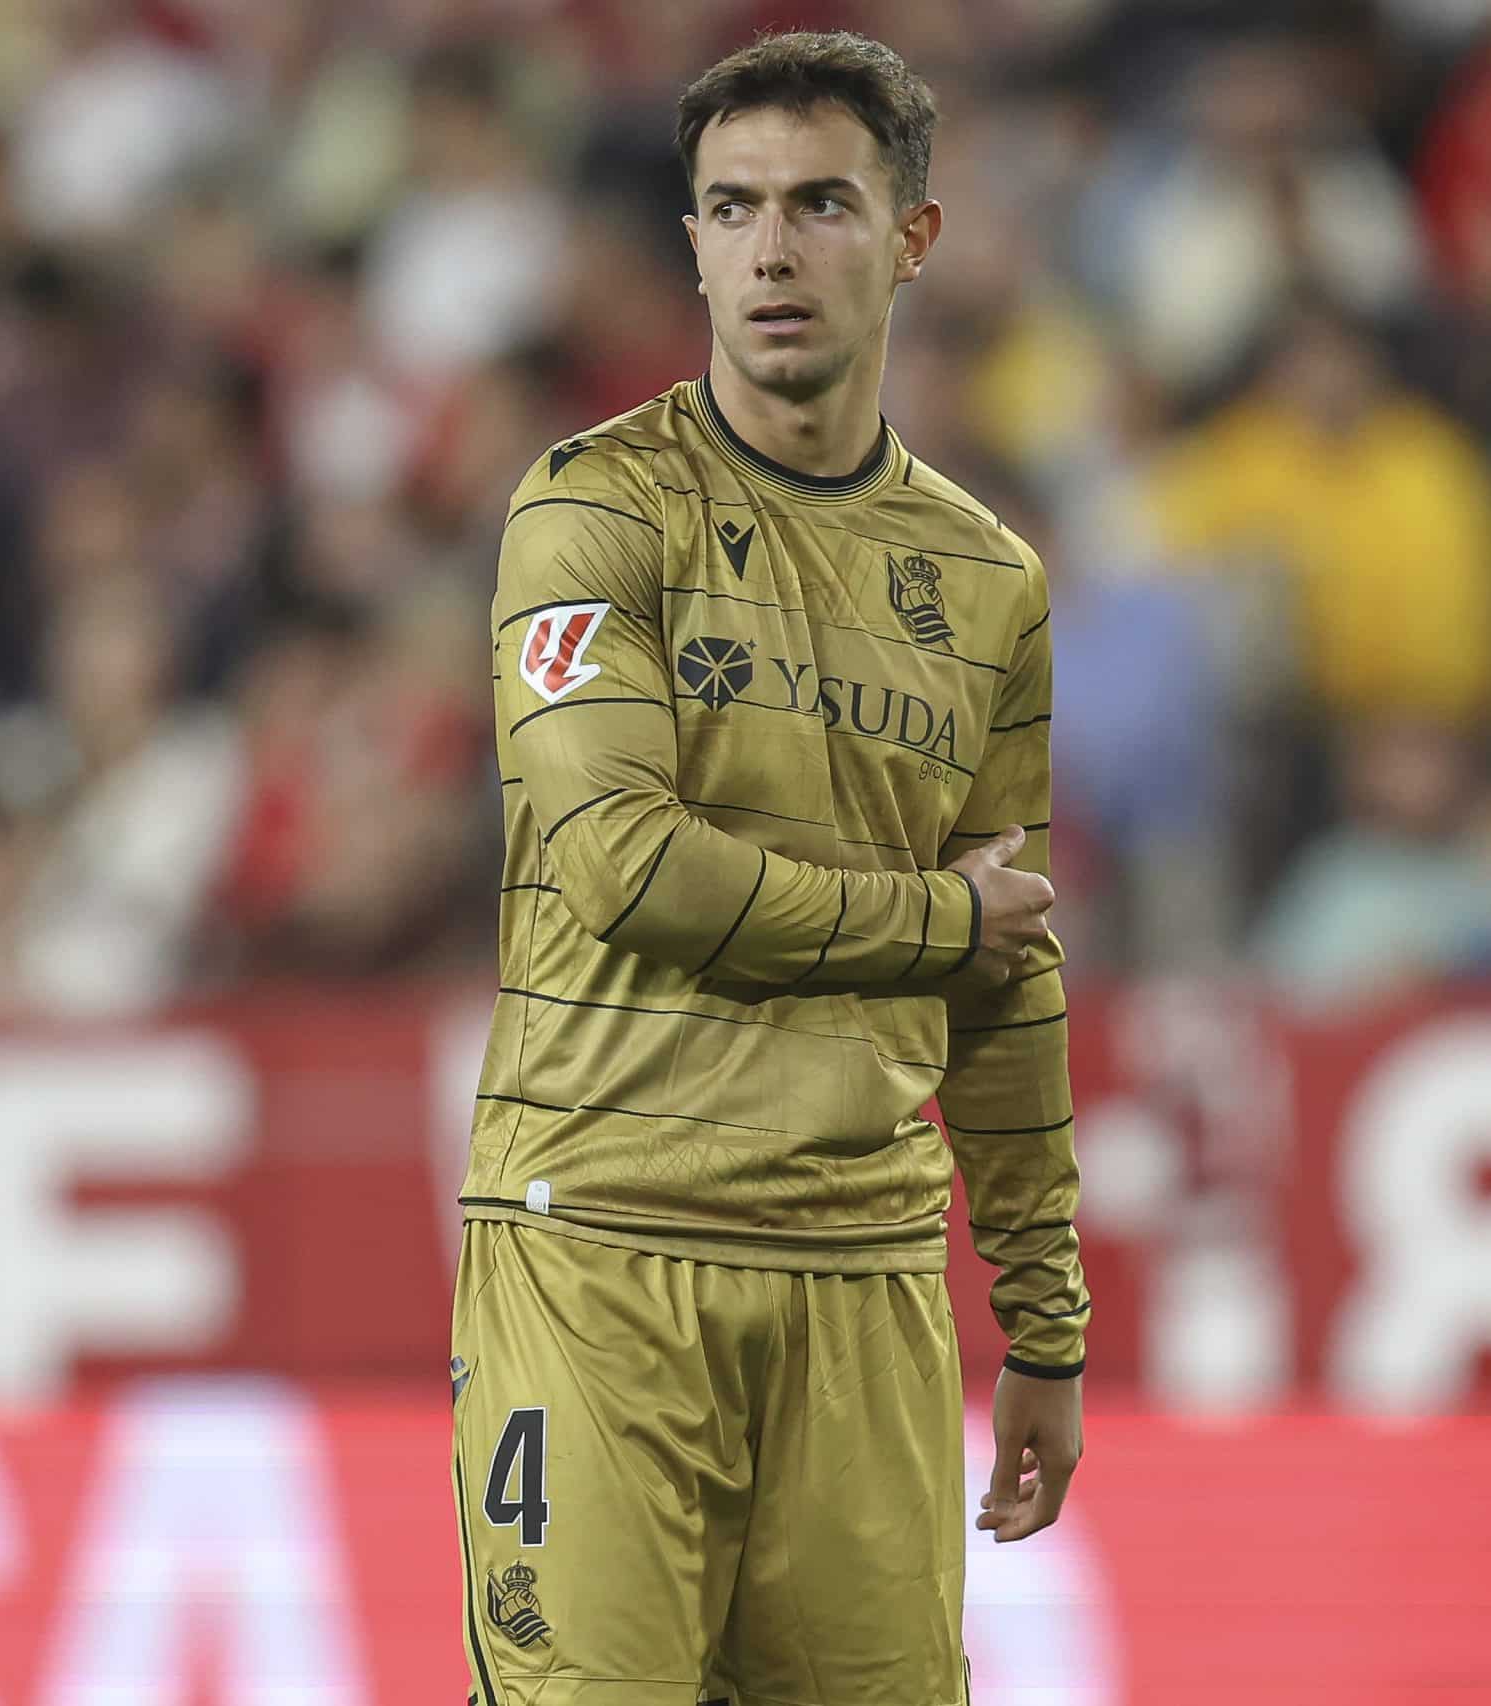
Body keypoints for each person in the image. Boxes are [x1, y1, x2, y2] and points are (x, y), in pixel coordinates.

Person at [453, 31, 1084, 1706]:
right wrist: (933, 920)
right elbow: (624, 865)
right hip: (600, 1245)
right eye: (731, 209)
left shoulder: (989, 581)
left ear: (914, 237)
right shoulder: (589, 513)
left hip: (866, 1272)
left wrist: (1045, 1317)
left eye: (819, 203)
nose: (773, 249)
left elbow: (1009, 972)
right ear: (692, 241)